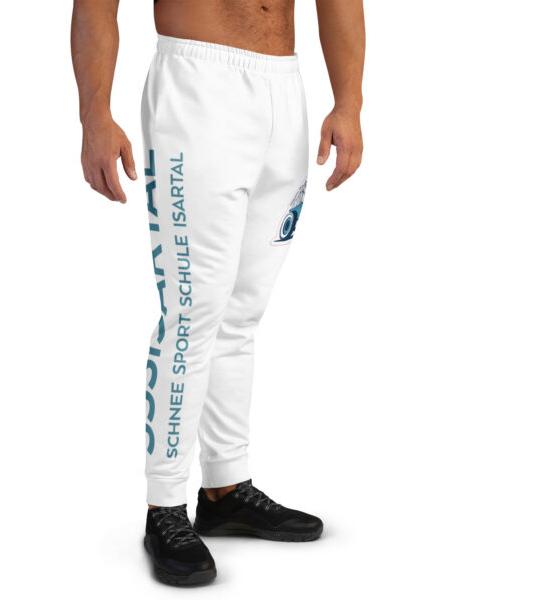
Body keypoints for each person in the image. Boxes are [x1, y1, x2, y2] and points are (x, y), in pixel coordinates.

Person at [71, 0, 365, 586]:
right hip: (198, 84)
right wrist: (95, 115)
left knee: (242, 313)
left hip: (285, 89)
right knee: (193, 313)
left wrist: (349, 101)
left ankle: (226, 489)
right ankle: (164, 505)